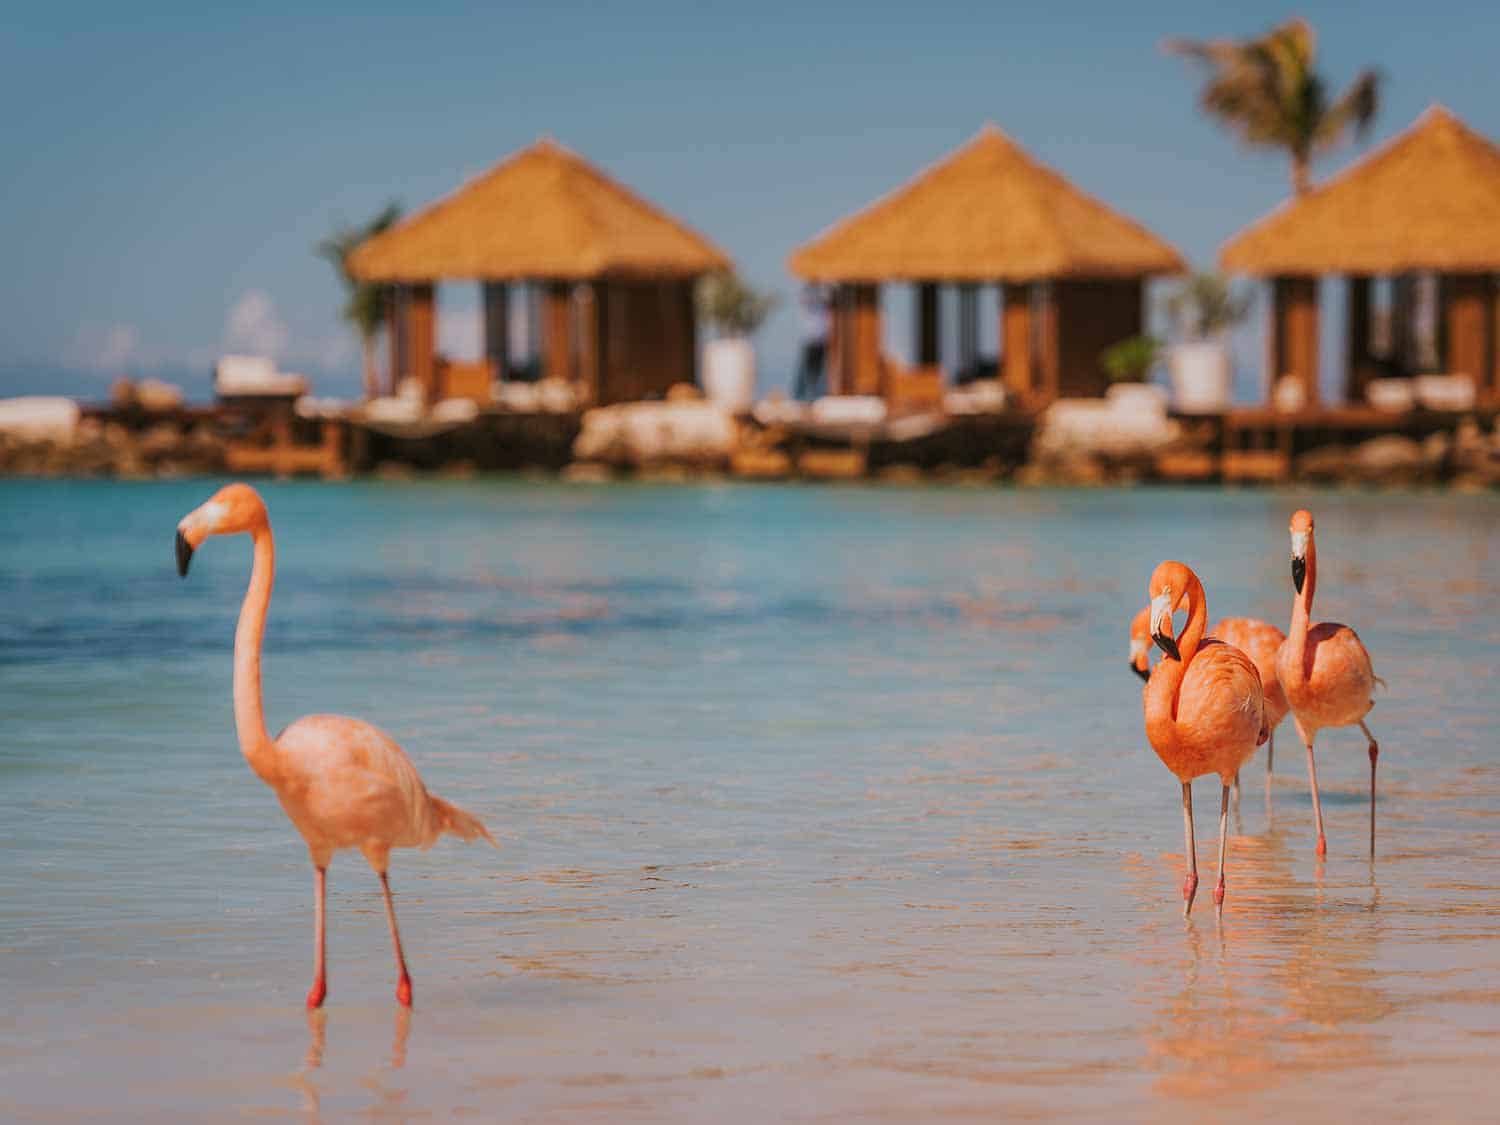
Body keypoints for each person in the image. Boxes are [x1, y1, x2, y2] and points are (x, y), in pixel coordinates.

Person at [793, 285, 830, 399]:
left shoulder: (822, 295)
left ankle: (815, 395)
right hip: (812, 339)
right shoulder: (810, 294)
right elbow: (804, 300)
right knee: (808, 371)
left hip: (822, 340)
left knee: (818, 372)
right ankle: (802, 396)